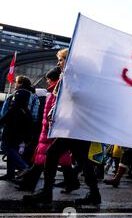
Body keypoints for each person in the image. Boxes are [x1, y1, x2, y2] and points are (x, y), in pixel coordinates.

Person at [23, 48, 101, 205]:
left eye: (61, 59)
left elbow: (75, 95)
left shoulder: (78, 77)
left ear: (69, 60)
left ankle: (46, 194)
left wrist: (67, 78)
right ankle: (94, 194)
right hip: (76, 125)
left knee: (52, 153)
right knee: (83, 161)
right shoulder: (73, 77)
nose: (58, 62)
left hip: (76, 126)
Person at [16, 67, 79, 193]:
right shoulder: (53, 91)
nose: (47, 82)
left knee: (43, 158)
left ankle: (33, 185)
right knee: (56, 159)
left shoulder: (57, 91)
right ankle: (71, 182)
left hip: (52, 130)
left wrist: (48, 126)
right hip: (50, 129)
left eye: (49, 79)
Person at [0, 89, 33, 181]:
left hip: (9, 134)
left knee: (6, 149)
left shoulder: (14, 108)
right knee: (11, 154)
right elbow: (30, 124)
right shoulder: (26, 110)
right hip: (19, 136)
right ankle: (10, 174)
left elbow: (3, 120)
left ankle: (23, 166)